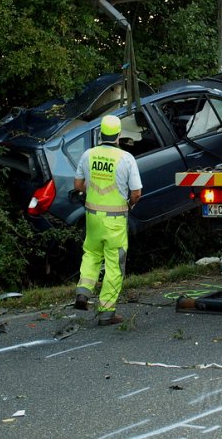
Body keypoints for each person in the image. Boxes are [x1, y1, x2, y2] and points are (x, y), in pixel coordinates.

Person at [73, 115, 142, 326]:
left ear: (100, 134)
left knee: (91, 254)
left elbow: (78, 185)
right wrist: (129, 205)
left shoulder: (88, 155)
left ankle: (83, 292)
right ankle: (106, 313)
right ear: (119, 135)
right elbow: (137, 193)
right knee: (114, 265)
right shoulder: (126, 158)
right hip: (115, 221)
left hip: (92, 218)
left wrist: (94, 193)